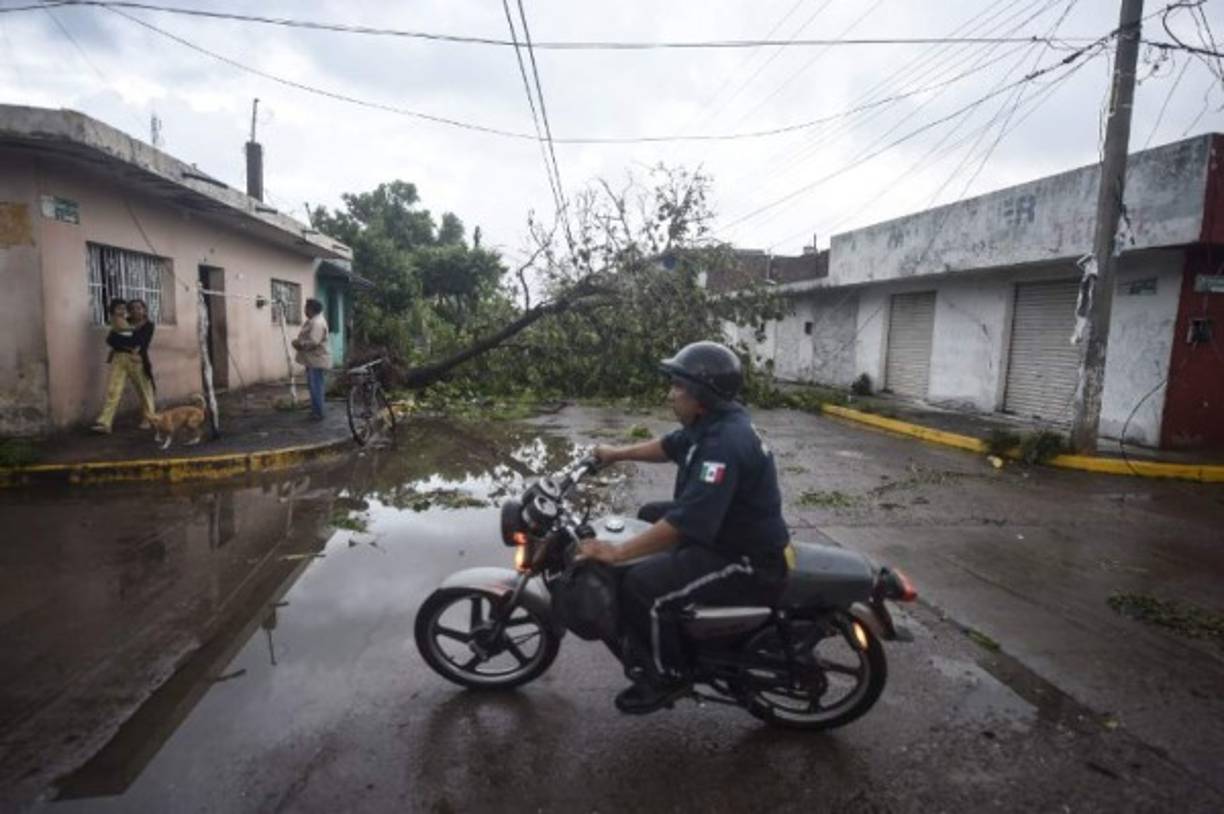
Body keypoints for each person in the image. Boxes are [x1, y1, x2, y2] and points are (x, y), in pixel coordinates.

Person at [578, 341, 790, 715]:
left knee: (643, 586)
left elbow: (686, 523)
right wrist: (616, 453)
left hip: (743, 557)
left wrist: (617, 552)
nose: (670, 394)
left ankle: (666, 675)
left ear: (702, 396)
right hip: (727, 531)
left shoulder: (723, 444)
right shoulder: (709, 423)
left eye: (678, 387)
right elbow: (668, 446)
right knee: (648, 513)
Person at [92, 299, 157, 434]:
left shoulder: (148, 325)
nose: (135, 311)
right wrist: (128, 342)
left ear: (144, 310)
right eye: (132, 308)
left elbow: (140, 341)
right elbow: (110, 340)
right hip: (119, 358)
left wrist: (123, 341)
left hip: (137, 360)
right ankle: (105, 423)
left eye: (139, 308)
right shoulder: (123, 321)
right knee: (113, 390)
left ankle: (149, 419)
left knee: (144, 391)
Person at [292, 298, 332, 420]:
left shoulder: (317, 323)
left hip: (316, 360)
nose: (304, 310)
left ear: (311, 309)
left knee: (316, 387)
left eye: (306, 307)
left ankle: (318, 413)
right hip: (313, 360)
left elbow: (314, 341)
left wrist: (299, 344)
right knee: (314, 386)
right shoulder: (314, 321)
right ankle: (316, 411)